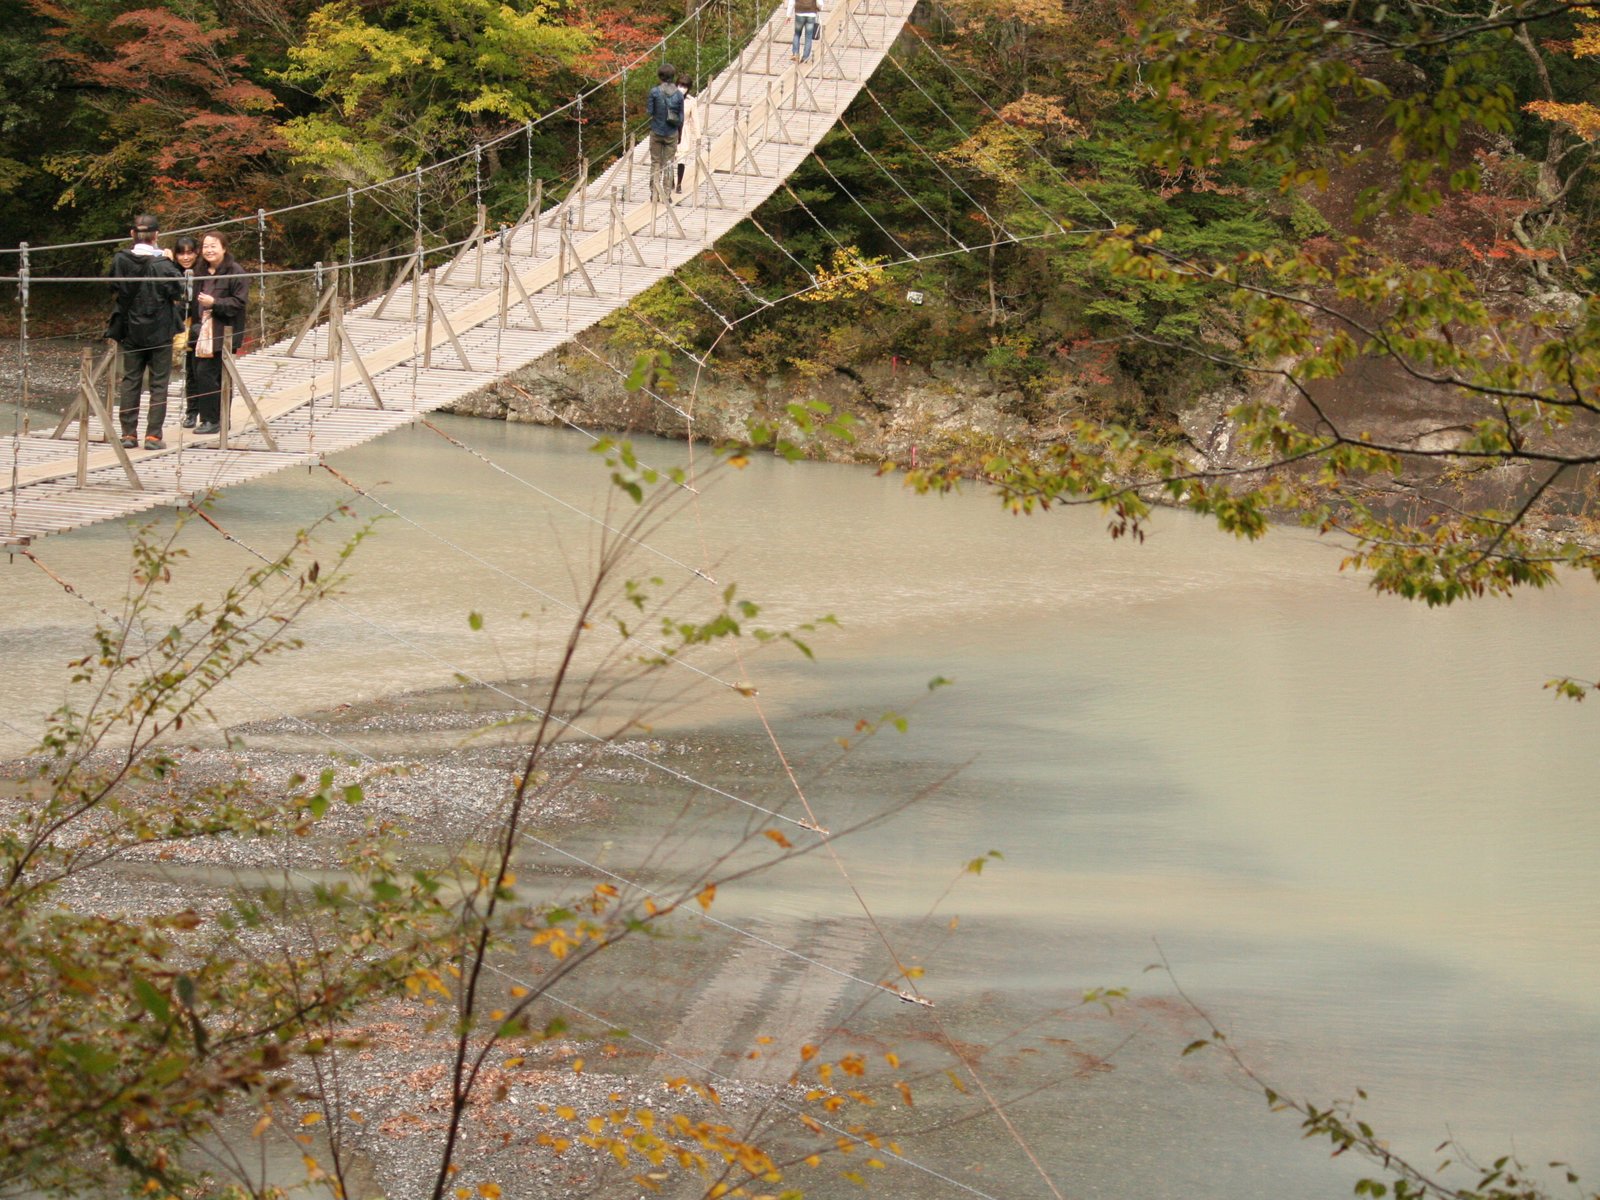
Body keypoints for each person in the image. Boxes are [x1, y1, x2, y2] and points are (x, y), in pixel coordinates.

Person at [107, 214, 184, 450]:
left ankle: (128, 434)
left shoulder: (120, 260)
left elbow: (113, 286)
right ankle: (153, 436)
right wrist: (172, 262)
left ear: (132, 235)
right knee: (159, 383)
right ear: (157, 235)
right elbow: (178, 291)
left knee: (131, 380)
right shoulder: (163, 264)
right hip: (160, 331)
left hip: (131, 330)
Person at [186, 231, 250, 436]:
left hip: (224, 332)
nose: (209, 250)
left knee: (213, 376)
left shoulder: (235, 272)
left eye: (213, 246)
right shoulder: (200, 271)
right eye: (205, 246)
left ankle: (214, 420)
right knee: (200, 374)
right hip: (201, 332)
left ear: (224, 248)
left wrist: (215, 303)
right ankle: (211, 418)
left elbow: (239, 303)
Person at [170, 236, 201, 428]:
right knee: (190, 372)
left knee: (199, 371)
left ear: (196, 253)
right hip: (180, 326)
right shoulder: (172, 272)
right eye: (181, 253)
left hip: (198, 327)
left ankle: (203, 413)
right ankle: (191, 413)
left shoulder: (202, 272)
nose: (186, 257)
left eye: (190, 253)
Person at [645, 63, 684, 203]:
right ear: (673, 77)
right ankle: (667, 194)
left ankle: (654, 193)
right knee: (668, 163)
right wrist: (679, 134)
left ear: (660, 76)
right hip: (672, 132)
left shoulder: (654, 92)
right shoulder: (679, 95)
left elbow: (650, 112)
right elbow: (681, 117)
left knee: (655, 162)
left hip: (656, 131)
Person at [675, 78, 697, 194]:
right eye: (680, 85)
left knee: (681, 158)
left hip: (684, 131)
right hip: (671, 130)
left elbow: (695, 119)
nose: (682, 88)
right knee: (670, 157)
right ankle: (670, 182)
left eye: (685, 86)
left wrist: (697, 135)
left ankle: (679, 184)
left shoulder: (691, 101)